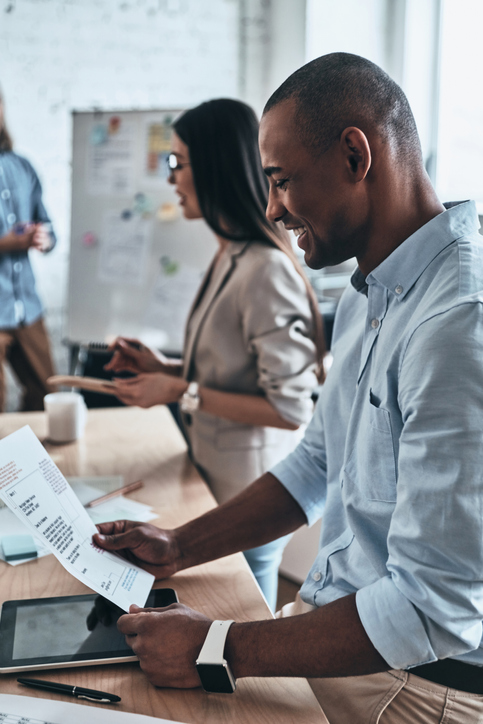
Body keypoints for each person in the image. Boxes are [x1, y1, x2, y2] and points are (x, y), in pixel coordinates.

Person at [94, 52, 483, 723]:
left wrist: (216, 645)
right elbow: (315, 463)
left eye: (280, 181)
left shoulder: (456, 325)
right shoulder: (371, 287)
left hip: (415, 684)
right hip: (346, 639)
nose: (272, 207)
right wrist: (180, 547)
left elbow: (430, 611)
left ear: (354, 156)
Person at [105, 98, 324, 611]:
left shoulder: (263, 269)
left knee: (232, 644)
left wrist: (181, 390)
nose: (172, 178)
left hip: (246, 500)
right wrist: (162, 368)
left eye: (178, 163)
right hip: (214, 484)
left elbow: (291, 410)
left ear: (213, 166)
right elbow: (234, 370)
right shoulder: (231, 251)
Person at [0, 89, 56, 411]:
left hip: (28, 308)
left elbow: (49, 227)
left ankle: (34, 463)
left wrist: (43, 239)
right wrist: (7, 243)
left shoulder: (22, 166)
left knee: (47, 396)